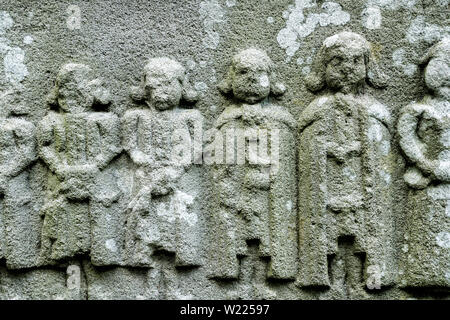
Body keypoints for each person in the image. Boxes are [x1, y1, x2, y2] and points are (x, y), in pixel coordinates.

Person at [296, 32, 395, 293]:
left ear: (367, 67)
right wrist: (326, 149)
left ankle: (367, 284)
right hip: (327, 191)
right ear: (324, 68)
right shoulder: (316, 110)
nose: (346, 69)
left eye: (354, 62)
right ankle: (332, 284)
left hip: (365, 192)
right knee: (331, 239)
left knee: (365, 239)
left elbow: (381, 150)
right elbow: (307, 147)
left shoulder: (375, 111)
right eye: (337, 62)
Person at [209, 48, 297, 280]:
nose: (251, 79)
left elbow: (285, 162)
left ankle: (265, 281)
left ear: (271, 80)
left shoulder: (282, 119)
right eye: (243, 73)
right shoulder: (226, 120)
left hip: (270, 195)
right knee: (238, 239)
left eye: (259, 73)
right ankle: (239, 282)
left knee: (268, 240)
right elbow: (221, 163)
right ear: (232, 79)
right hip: (237, 192)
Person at [38, 63, 122, 263]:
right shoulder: (51, 121)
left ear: (92, 93)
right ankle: (66, 268)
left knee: (98, 220)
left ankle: (101, 257)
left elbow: (112, 146)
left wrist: (96, 166)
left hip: (96, 179)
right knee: (62, 223)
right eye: (65, 93)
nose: (71, 99)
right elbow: (44, 147)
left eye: (77, 93)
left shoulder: (105, 120)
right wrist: (59, 167)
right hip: (63, 177)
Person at [398, 37, 450, 288]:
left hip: (438, 174)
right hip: (425, 183)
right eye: (443, 65)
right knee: (424, 225)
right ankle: (422, 274)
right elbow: (405, 133)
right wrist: (422, 161)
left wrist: (441, 170)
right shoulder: (420, 109)